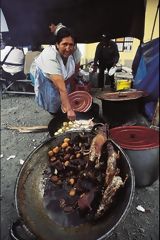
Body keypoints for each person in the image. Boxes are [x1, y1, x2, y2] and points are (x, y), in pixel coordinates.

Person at [31, 28, 80, 121]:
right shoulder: (50, 56)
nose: (68, 48)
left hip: (62, 76)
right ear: (57, 44)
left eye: (71, 45)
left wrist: (72, 91)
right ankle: (55, 114)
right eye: (64, 44)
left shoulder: (75, 51)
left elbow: (75, 71)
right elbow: (61, 88)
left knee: (66, 93)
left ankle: (63, 110)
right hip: (45, 76)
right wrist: (69, 109)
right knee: (52, 98)